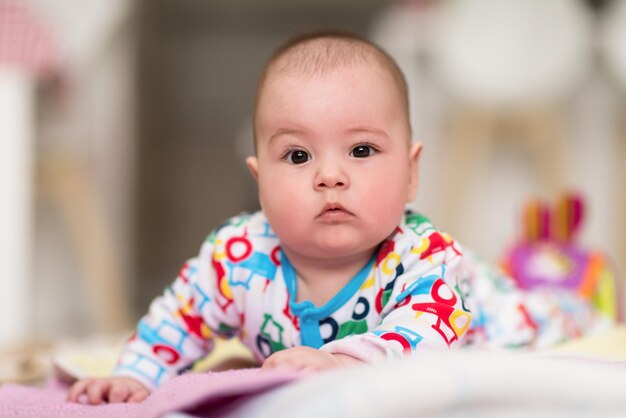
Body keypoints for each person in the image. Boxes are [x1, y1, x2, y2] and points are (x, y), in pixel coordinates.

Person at [67, 30, 603, 405]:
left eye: (362, 151)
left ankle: (579, 298)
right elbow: (175, 319)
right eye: (298, 156)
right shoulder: (236, 257)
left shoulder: (426, 260)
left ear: (411, 172)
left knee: (552, 319)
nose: (330, 176)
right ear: (260, 180)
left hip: (487, 316)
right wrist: (136, 375)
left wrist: (346, 363)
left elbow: (424, 337)